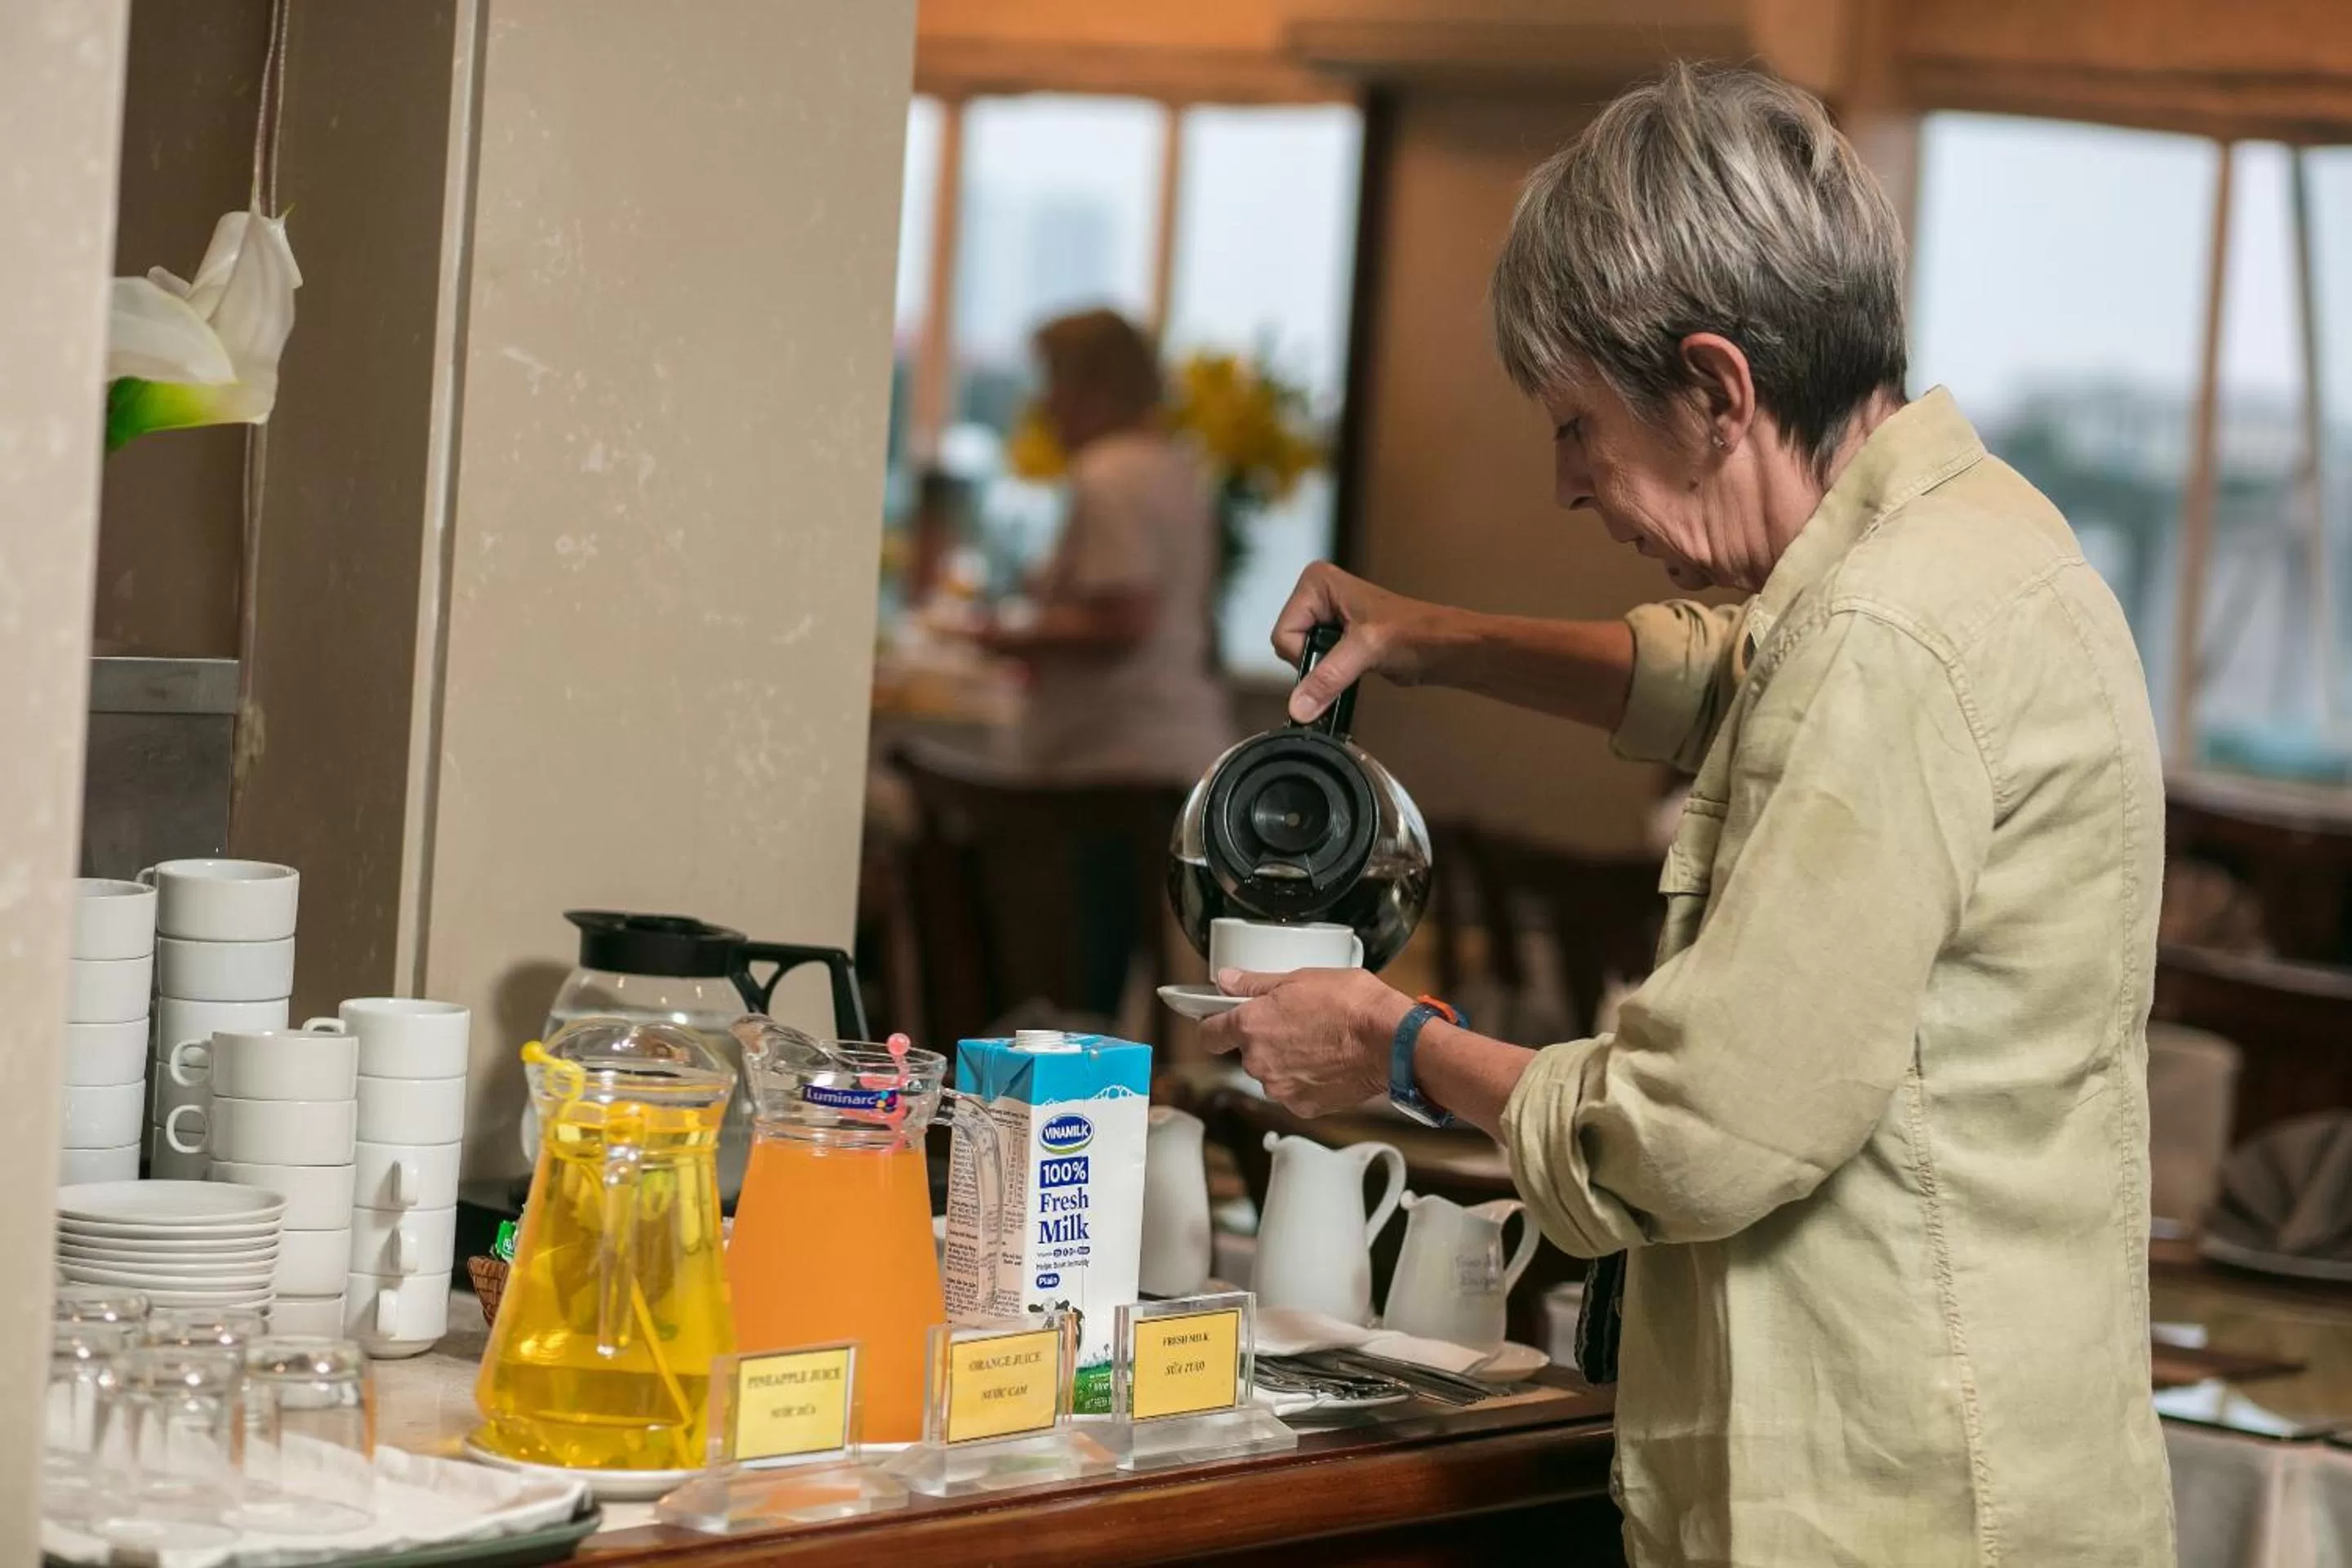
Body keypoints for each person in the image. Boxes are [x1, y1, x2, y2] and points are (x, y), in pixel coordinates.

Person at [1201, 65, 2172, 1566]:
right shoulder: (1971, 545)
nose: (1569, 486)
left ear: (1719, 388)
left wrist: (1391, 1044)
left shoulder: (1888, 642)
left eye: (1581, 426)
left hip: (1898, 1507)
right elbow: (1726, 673)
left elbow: (1693, 1133)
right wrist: (1428, 633)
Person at [982, 308, 1233, 785]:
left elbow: (1126, 619)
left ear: (1092, 387)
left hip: (1119, 760)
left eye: (1054, 381)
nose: (1045, 403)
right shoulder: (1173, 466)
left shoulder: (1108, 474)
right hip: (1172, 747)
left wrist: (1010, 636)